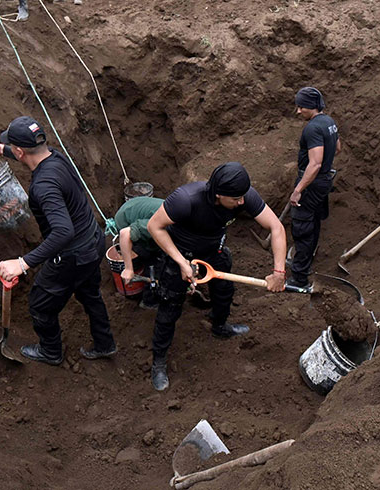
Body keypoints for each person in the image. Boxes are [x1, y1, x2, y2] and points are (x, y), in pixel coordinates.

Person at [145, 162, 287, 391]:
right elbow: (154, 227)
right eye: (236, 199)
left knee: (224, 291)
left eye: (243, 197)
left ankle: (219, 325)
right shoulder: (186, 199)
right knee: (170, 306)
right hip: (180, 252)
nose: (242, 203)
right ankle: (159, 361)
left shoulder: (244, 195)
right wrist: (181, 262)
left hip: (214, 250)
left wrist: (279, 271)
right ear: (218, 194)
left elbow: (276, 228)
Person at [0, 116, 117, 365]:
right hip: (93, 240)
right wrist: (3, 150)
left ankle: (51, 352)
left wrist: (23, 263)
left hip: (72, 256)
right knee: (90, 294)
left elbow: (62, 232)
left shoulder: (44, 186)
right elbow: (29, 153)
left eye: (12, 147)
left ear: (20, 150)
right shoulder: (55, 156)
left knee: (39, 304)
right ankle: (105, 343)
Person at [286, 87, 341, 294]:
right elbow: (337, 149)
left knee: (301, 227)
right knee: (314, 221)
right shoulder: (329, 122)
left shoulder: (312, 129)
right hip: (324, 180)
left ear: (312, 106)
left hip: (312, 182)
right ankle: (306, 262)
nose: (298, 111)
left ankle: (299, 278)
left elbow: (315, 164)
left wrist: (299, 189)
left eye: (301, 107)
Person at [114, 195, 165, 310]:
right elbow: (125, 233)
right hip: (126, 220)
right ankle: (148, 302)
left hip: (136, 208)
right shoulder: (159, 224)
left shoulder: (181, 217)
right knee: (153, 259)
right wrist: (128, 269)